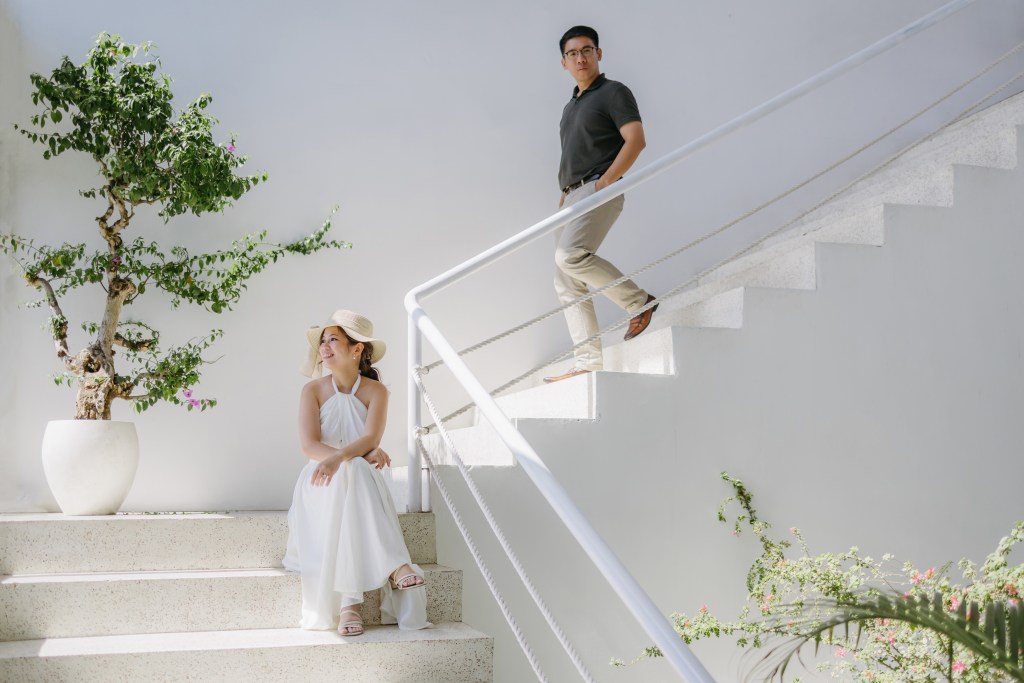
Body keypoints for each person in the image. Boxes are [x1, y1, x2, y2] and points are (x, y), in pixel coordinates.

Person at [283, 309, 429, 636]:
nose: (324, 347)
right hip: (320, 478)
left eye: (333, 339)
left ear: (356, 348)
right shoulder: (312, 390)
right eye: (322, 341)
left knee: (356, 471)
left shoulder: (377, 392)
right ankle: (396, 567)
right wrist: (353, 456)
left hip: (359, 479)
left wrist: (353, 455)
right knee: (355, 468)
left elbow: (371, 439)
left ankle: (350, 604)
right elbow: (309, 446)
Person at [545, 25, 658, 384]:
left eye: (586, 50)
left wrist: (606, 182)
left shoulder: (613, 92)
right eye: (572, 53)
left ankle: (639, 302)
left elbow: (635, 140)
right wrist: (564, 194)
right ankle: (587, 361)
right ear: (564, 62)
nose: (580, 58)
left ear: (598, 54)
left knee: (570, 256)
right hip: (571, 196)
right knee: (566, 281)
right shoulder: (570, 107)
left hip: (597, 188)